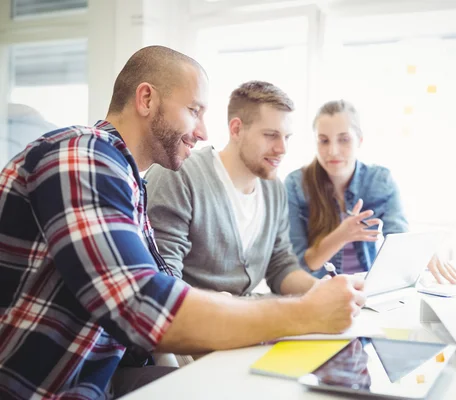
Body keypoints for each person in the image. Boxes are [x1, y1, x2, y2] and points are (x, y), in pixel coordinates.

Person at [0, 47, 365, 400]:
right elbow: (145, 306)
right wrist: (303, 314)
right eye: (194, 110)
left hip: (105, 376)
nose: (205, 132)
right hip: (45, 386)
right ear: (146, 100)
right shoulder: (82, 156)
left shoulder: (128, 181)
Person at [145, 81, 323, 296]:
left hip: (244, 319)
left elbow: (281, 266)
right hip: (193, 322)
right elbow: (164, 278)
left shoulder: (274, 189)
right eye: (270, 135)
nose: (282, 149)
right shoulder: (179, 175)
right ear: (236, 129)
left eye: (287, 137)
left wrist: (324, 290)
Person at [285, 99, 456, 283]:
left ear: (359, 140)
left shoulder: (380, 181)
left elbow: (399, 235)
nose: (333, 151)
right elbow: (300, 266)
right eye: (324, 141)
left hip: (367, 290)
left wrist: (422, 250)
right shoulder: (296, 185)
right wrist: (341, 235)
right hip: (318, 290)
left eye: (344, 139)